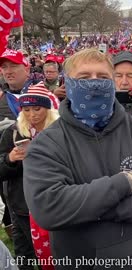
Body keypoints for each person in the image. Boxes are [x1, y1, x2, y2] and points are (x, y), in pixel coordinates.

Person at [22, 49, 132, 270]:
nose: (95, 83)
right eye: (84, 78)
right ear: (67, 85)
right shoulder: (45, 144)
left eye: (103, 77)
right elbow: (49, 208)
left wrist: (99, 209)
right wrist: (124, 183)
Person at [0, 82, 59, 270]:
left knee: (52, 253)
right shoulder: (14, 132)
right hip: (21, 206)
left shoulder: (59, 133)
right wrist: (11, 159)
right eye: (26, 109)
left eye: (37, 108)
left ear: (48, 109)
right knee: (24, 253)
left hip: (53, 203)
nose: (31, 114)